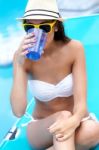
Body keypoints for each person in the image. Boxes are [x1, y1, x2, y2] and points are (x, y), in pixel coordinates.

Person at [10, 0, 99, 149]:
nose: (37, 32)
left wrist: (74, 120)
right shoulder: (22, 58)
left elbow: (81, 103)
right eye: (29, 26)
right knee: (63, 117)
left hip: (76, 122)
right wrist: (18, 64)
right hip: (42, 128)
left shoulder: (74, 49)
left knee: (93, 130)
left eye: (44, 27)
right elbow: (18, 111)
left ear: (56, 26)